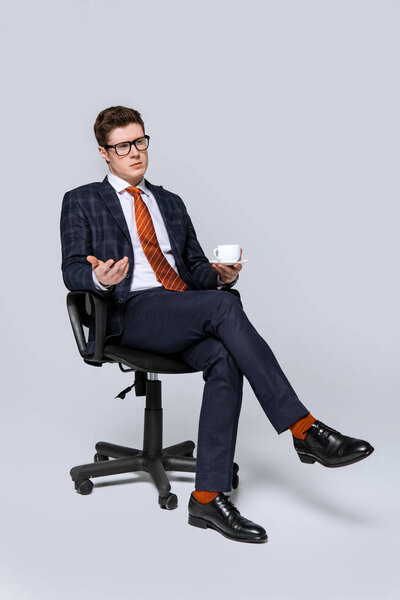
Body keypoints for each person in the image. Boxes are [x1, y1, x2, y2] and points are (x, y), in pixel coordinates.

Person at [60, 105, 374, 544]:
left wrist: (220, 275)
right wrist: (98, 277)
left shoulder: (169, 201)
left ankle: (207, 498)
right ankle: (305, 430)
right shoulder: (82, 199)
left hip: (181, 310)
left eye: (141, 141)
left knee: (226, 353)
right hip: (129, 311)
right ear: (104, 153)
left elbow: (192, 268)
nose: (135, 153)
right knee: (225, 309)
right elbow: (72, 269)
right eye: (123, 146)